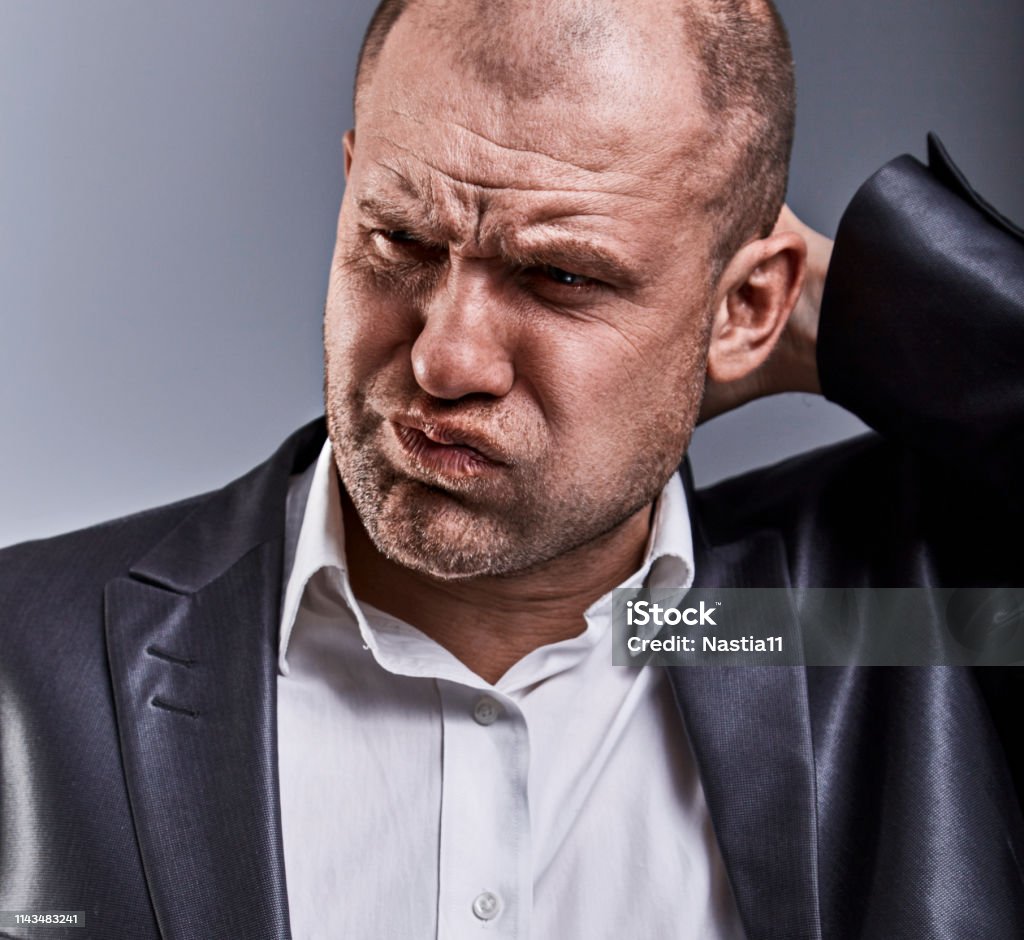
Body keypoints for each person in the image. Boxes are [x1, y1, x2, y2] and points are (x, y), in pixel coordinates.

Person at [1, 0, 1022, 937]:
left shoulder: (878, 625)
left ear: (745, 307)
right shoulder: (27, 659)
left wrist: (843, 309)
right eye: (397, 235)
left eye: (561, 274)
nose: (445, 357)